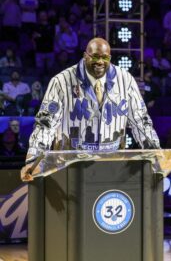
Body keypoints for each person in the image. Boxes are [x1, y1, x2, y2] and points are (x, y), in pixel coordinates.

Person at [20, 38, 161, 181]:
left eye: (105, 58)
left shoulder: (126, 80)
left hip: (113, 168)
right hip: (69, 169)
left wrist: (157, 155)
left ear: (110, 58)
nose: (100, 62)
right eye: (95, 56)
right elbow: (46, 125)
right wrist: (33, 160)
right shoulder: (61, 82)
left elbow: (141, 121)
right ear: (85, 55)